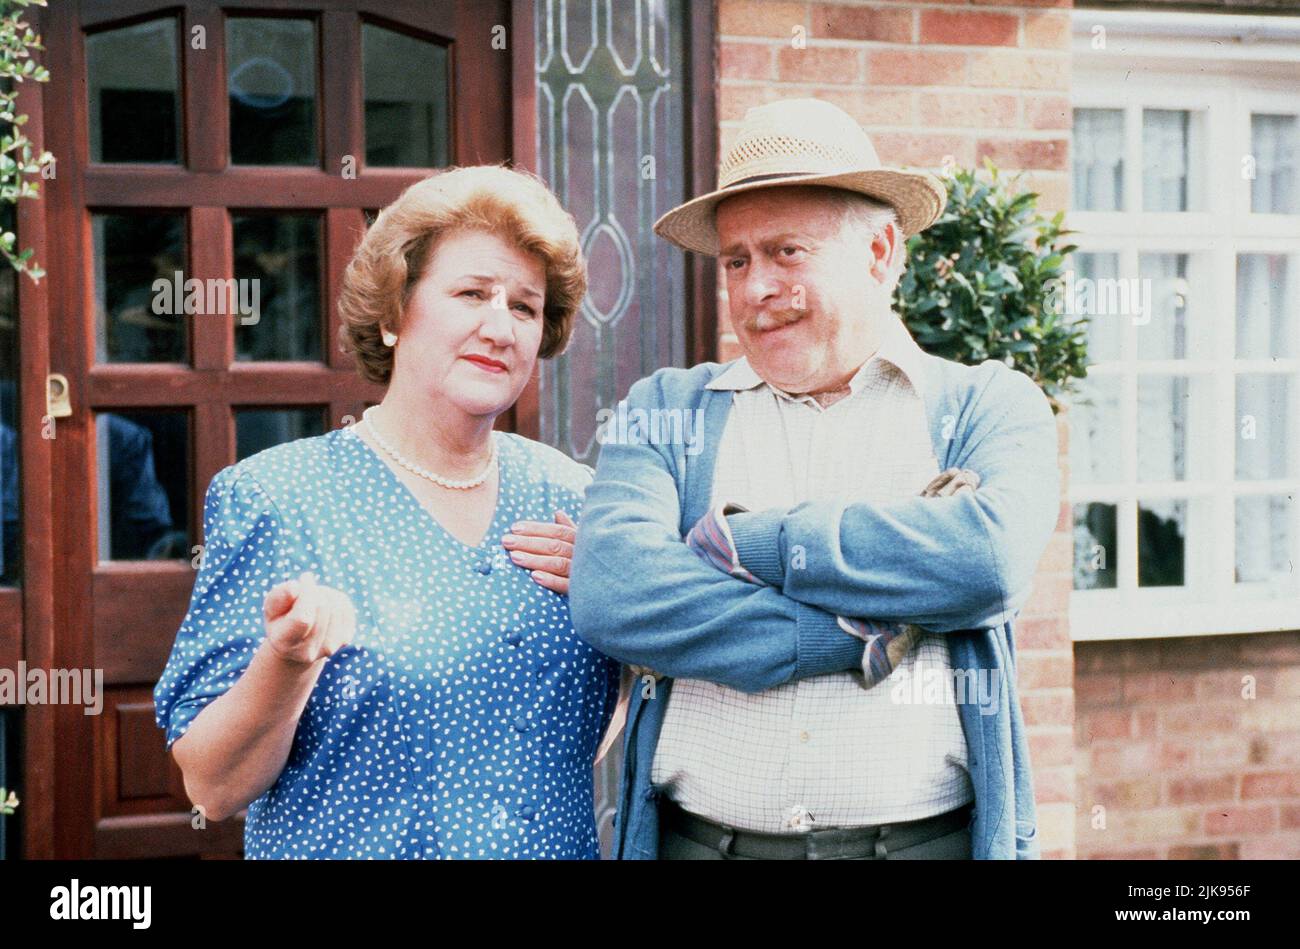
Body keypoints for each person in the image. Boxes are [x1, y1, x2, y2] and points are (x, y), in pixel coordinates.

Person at [569, 98, 1060, 860]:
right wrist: (860, 632)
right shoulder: (665, 408)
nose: (756, 287)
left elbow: (985, 561)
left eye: (787, 251)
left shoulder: (983, 406)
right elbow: (615, 596)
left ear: (880, 252)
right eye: (736, 260)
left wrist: (744, 544)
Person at [154, 164, 620, 859]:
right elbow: (213, 786)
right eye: (471, 293)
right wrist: (288, 660)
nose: (500, 326)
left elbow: (590, 724)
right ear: (395, 313)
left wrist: (625, 607)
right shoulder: (281, 496)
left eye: (524, 306)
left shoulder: (573, 499)